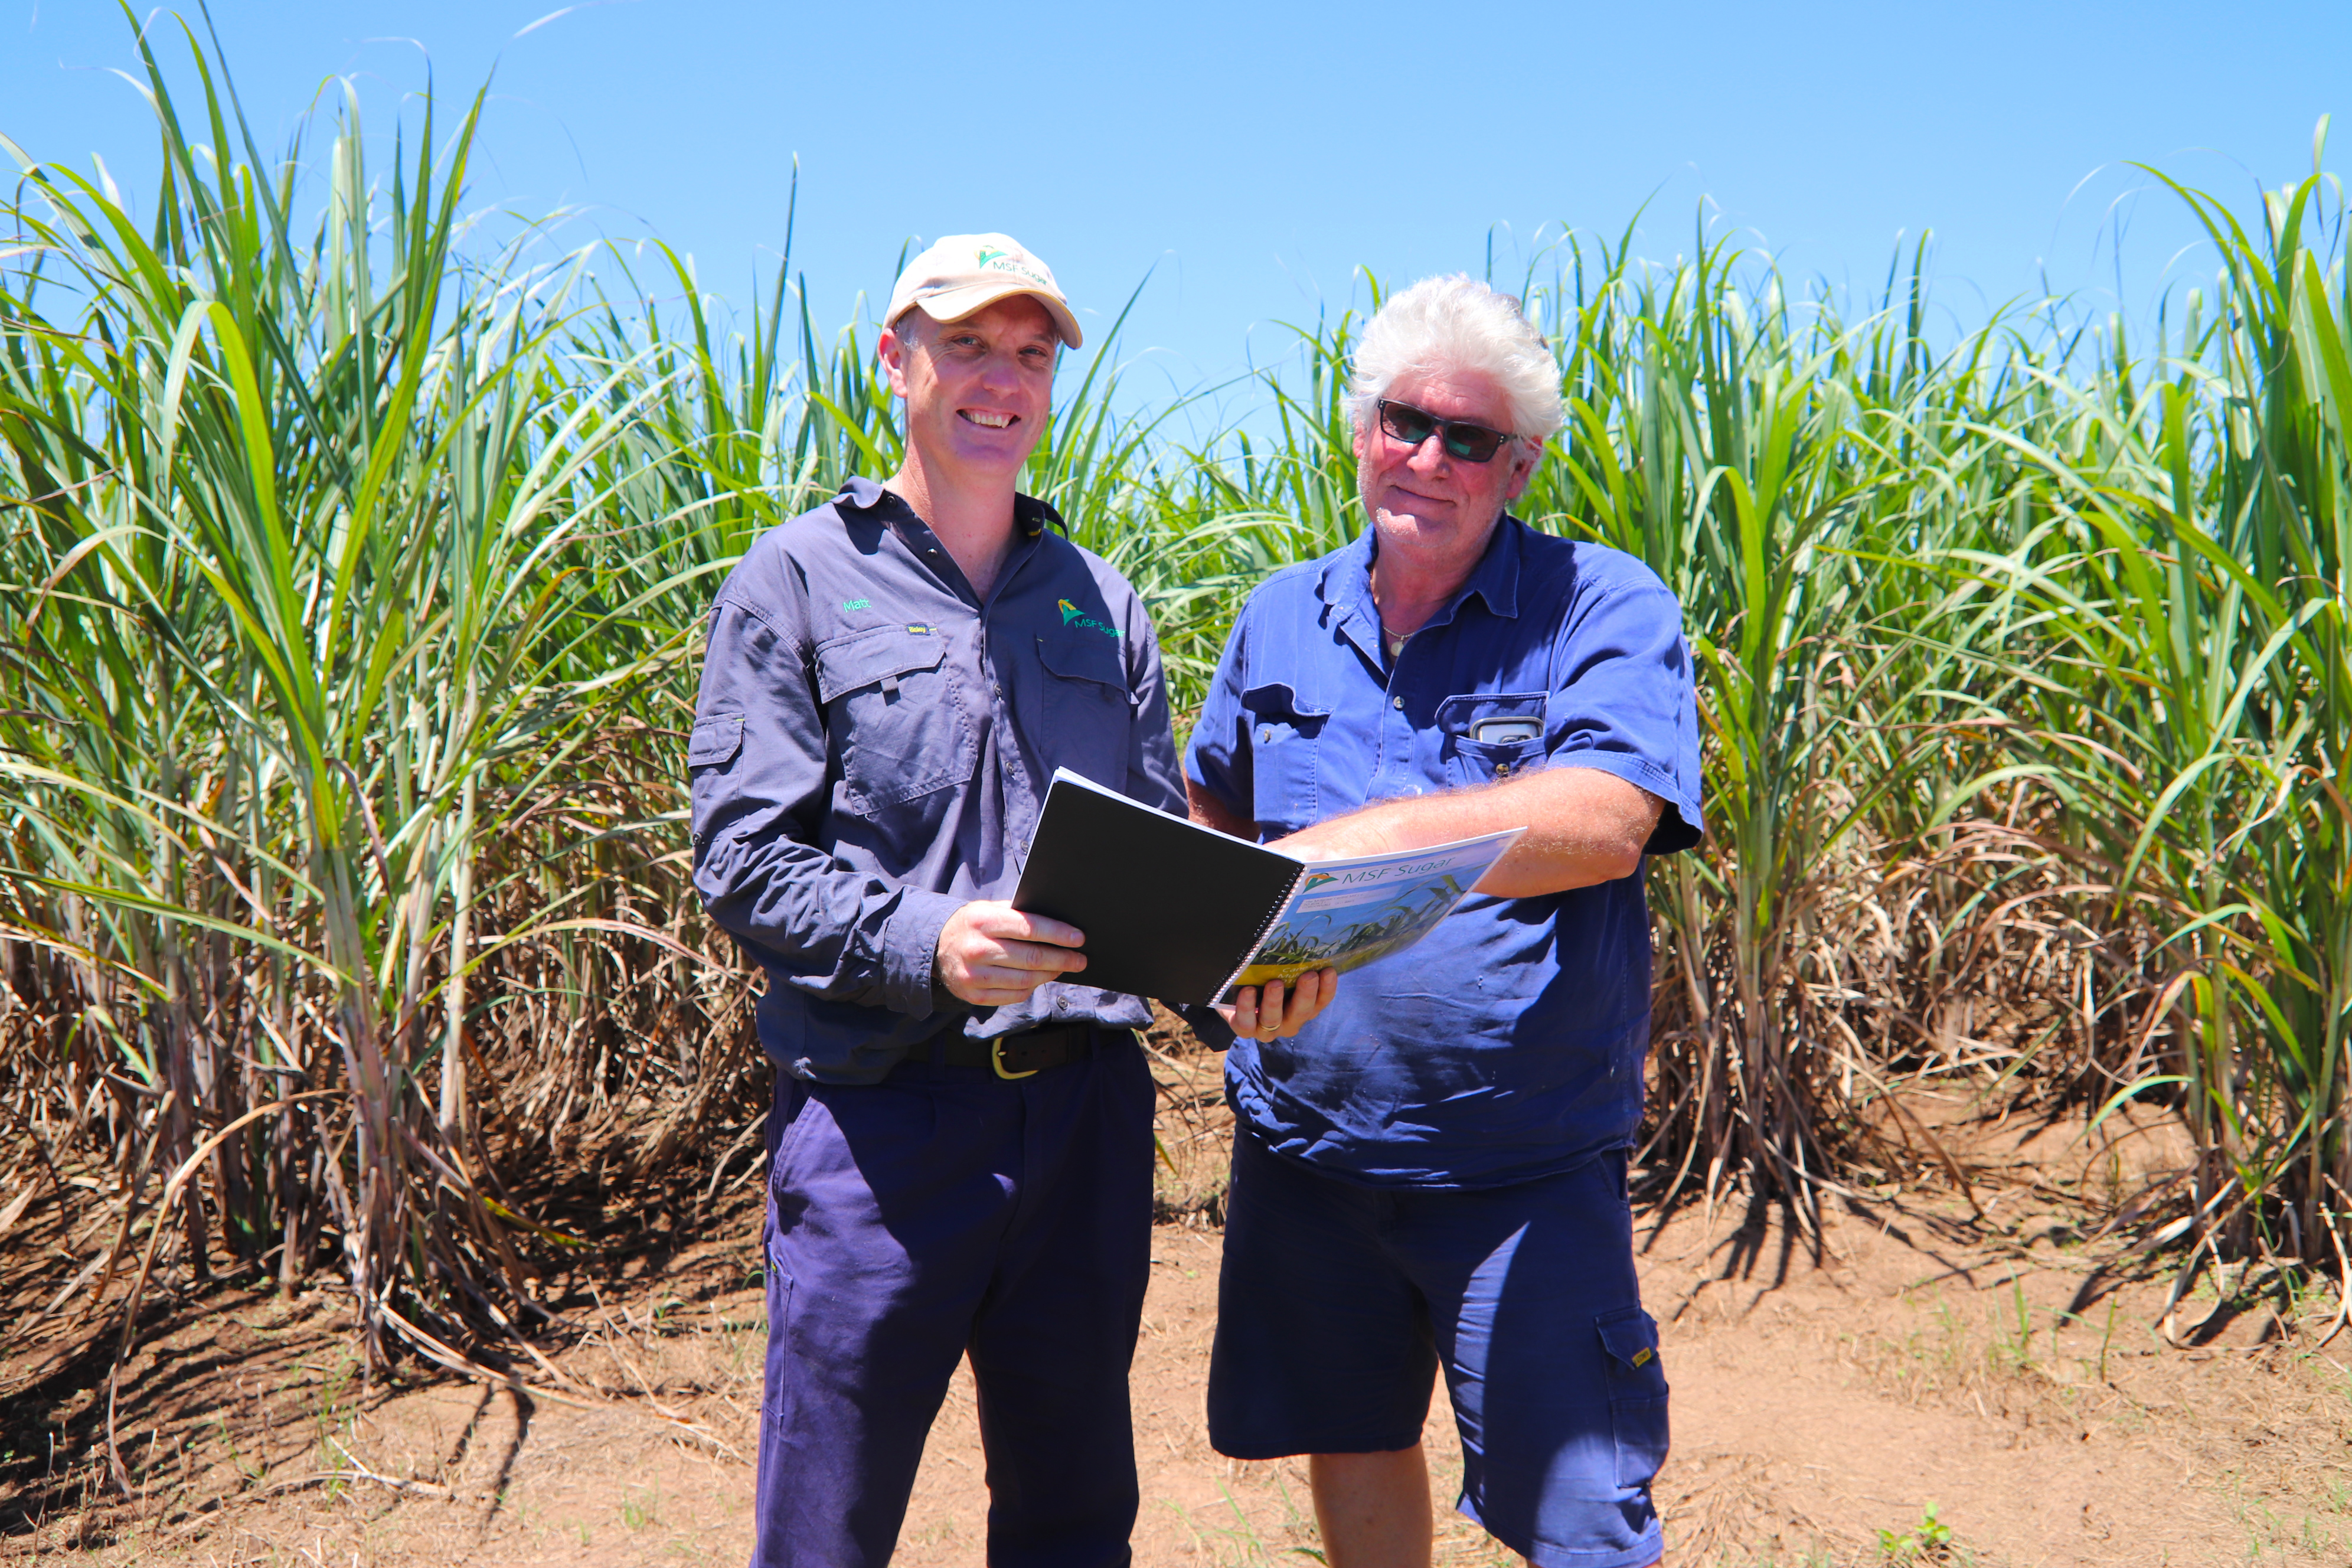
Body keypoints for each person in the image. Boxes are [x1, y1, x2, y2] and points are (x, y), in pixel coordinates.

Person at [687, 233, 1330, 1568]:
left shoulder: (1101, 603)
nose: (1003, 378)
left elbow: (1156, 856)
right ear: (896, 360)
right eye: (968, 343)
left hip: (1087, 1123)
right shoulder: (796, 579)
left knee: (1075, 1514)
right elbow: (743, 855)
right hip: (885, 1121)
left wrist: (1238, 986)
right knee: (829, 1521)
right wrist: (934, 943)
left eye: (1030, 352)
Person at [1184, 274, 1704, 1568]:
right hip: (1310, 1147)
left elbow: (1605, 816)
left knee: (1582, 1509)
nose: (1428, 457)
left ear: (1518, 466)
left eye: (1470, 439)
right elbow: (1211, 822)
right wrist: (1218, 965)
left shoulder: (1600, 603)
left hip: (1520, 1163)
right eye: (1404, 420)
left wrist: (1344, 850)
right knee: (1352, 1436)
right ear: (1361, 428)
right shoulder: (1278, 617)